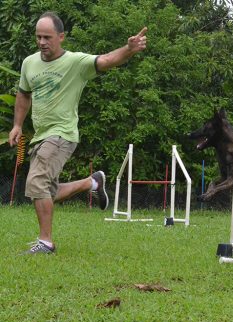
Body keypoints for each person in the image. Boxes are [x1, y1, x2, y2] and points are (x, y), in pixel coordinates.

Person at [8, 11, 147, 254]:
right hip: (41, 135)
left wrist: (128, 50)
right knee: (47, 191)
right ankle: (91, 183)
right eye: (38, 37)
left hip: (61, 134)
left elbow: (105, 60)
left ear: (61, 36)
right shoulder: (29, 63)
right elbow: (23, 93)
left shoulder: (76, 62)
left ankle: (46, 243)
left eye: (47, 37)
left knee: (36, 182)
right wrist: (18, 125)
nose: (42, 42)